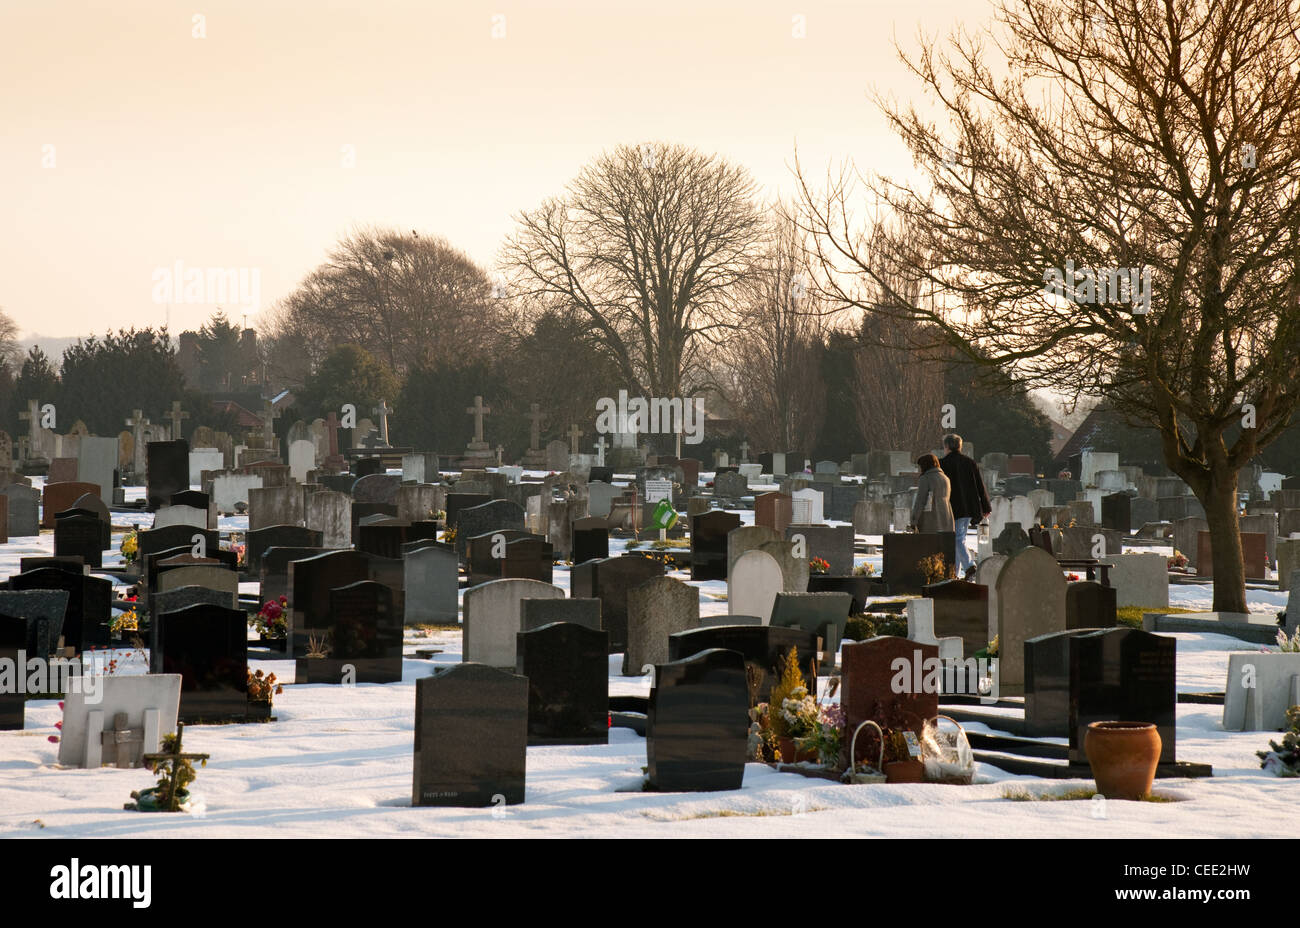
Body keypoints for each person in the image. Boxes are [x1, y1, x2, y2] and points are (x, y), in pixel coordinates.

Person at [939, 433, 992, 578]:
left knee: (957, 539)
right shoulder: (970, 462)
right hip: (969, 507)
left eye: (944, 445)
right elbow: (980, 486)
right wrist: (985, 506)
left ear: (948, 446)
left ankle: (969, 566)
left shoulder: (943, 463)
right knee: (959, 539)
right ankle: (954, 574)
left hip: (953, 507)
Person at [911, 453, 954, 533]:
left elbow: (920, 501)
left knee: (928, 543)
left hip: (930, 519)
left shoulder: (925, 478)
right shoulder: (945, 478)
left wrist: (914, 520)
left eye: (920, 466)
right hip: (946, 517)